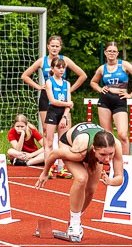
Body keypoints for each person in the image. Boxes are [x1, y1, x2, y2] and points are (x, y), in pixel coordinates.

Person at [34, 122, 126, 241]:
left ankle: (74, 219)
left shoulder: (116, 145)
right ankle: (75, 223)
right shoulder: (79, 151)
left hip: (89, 144)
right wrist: (45, 172)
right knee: (81, 178)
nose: (107, 159)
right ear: (94, 150)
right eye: (103, 154)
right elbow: (54, 154)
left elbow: (120, 178)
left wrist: (110, 181)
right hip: (69, 144)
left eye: (110, 154)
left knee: (91, 190)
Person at [21, 35, 88, 164]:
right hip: (47, 98)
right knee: (47, 132)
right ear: (48, 46)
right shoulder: (42, 61)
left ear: (60, 47)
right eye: (52, 46)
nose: (54, 48)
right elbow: (25, 76)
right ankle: (48, 162)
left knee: (65, 132)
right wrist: (38, 86)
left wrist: (69, 90)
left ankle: (63, 164)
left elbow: (82, 75)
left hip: (62, 97)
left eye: (57, 46)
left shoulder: (65, 60)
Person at [88, 40, 132, 151]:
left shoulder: (124, 65)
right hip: (105, 101)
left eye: (114, 51)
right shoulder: (102, 68)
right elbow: (93, 82)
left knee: (122, 135)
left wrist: (131, 95)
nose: (112, 53)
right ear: (105, 52)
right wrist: (100, 89)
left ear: (117, 53)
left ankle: (125, 160)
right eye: (109, 51)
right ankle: (110, 159)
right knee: (107, 135)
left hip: (119, 100)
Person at [41, 57, 75, 179]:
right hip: (52, 111)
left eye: (63, 68)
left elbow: (69, 101)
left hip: (63, 113)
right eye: (58, 67)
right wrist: (67, 104)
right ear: (52, 68)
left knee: (63, 142)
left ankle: (61, 169)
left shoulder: (67, 84)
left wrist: (65, 116)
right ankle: (48, 169)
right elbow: (53, 100)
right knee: (49, 142)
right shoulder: (49, 82)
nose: (61, 70)